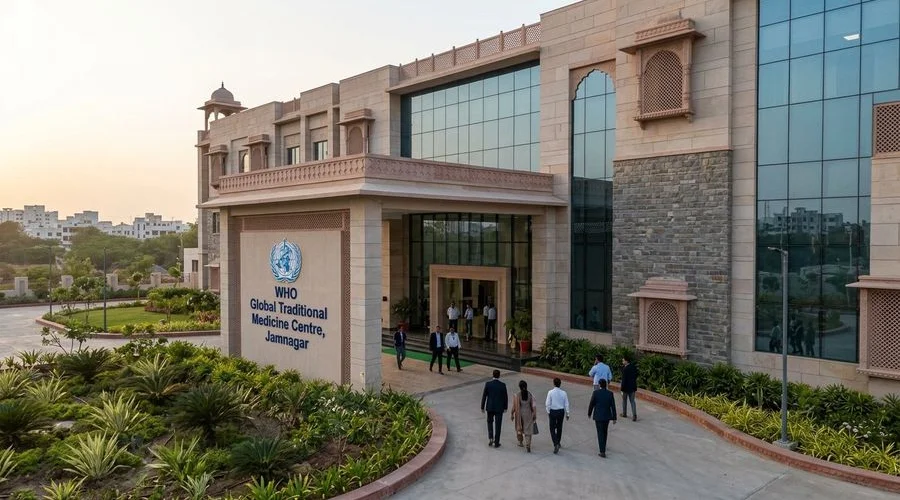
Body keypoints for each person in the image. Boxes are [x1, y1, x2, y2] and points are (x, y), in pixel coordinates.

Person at [587, 378, 617, 458]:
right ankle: (604, 445)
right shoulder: (610, 393)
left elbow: (592, 404)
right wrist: (614, 417)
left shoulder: (596, 393)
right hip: (607, 416)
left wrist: (589, 413)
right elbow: (613, 406)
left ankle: (602, 451)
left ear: (599, 385)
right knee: (605, 431)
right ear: (606, 385)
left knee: (600, 433)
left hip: (598, 416)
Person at [481, 369, 508, 448]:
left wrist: (482, 406)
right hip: (499, 408)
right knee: (498, 425)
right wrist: (505, 407)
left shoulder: (488, 384)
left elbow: (484, 396)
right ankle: (496, 442)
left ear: (492, 375)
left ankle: (490, 437)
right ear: (499, 376)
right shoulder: (502, 385)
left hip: (490, 407)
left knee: (489, 422)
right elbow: (505, 397)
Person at [545, 377, 570, 454]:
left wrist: (548, 411)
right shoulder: (564, 393)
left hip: (553, 411)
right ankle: (558, 442)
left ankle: (555, 443)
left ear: (553, 383)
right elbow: (566, 404)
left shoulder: (550, 392)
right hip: (561, 411)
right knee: (559, 427)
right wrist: (567, 413)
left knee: (552, 428)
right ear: (560, 384)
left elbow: (547, 403)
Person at [511, 380, 537, 453]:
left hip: (519, 414)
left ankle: (520, 442)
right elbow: (534, 405)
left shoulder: (517, 395)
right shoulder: (530, 395)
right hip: (528, 414)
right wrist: (534, 414)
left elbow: (514, 406)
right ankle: (528, 444)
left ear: (519, 387)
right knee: (528, 430)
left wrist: (512, 413)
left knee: (519, 428)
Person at [620, 355, 638, 421]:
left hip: (625, 388)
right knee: (632, 401)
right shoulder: (634, 367)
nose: (622, 361)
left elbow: (624, 380)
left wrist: (622, 389)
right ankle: (634, 415)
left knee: (624, 400)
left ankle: (624, 413)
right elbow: (636, 375)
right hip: (632, 387)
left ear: (626, 361)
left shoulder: (625, 369)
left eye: (623, 360)